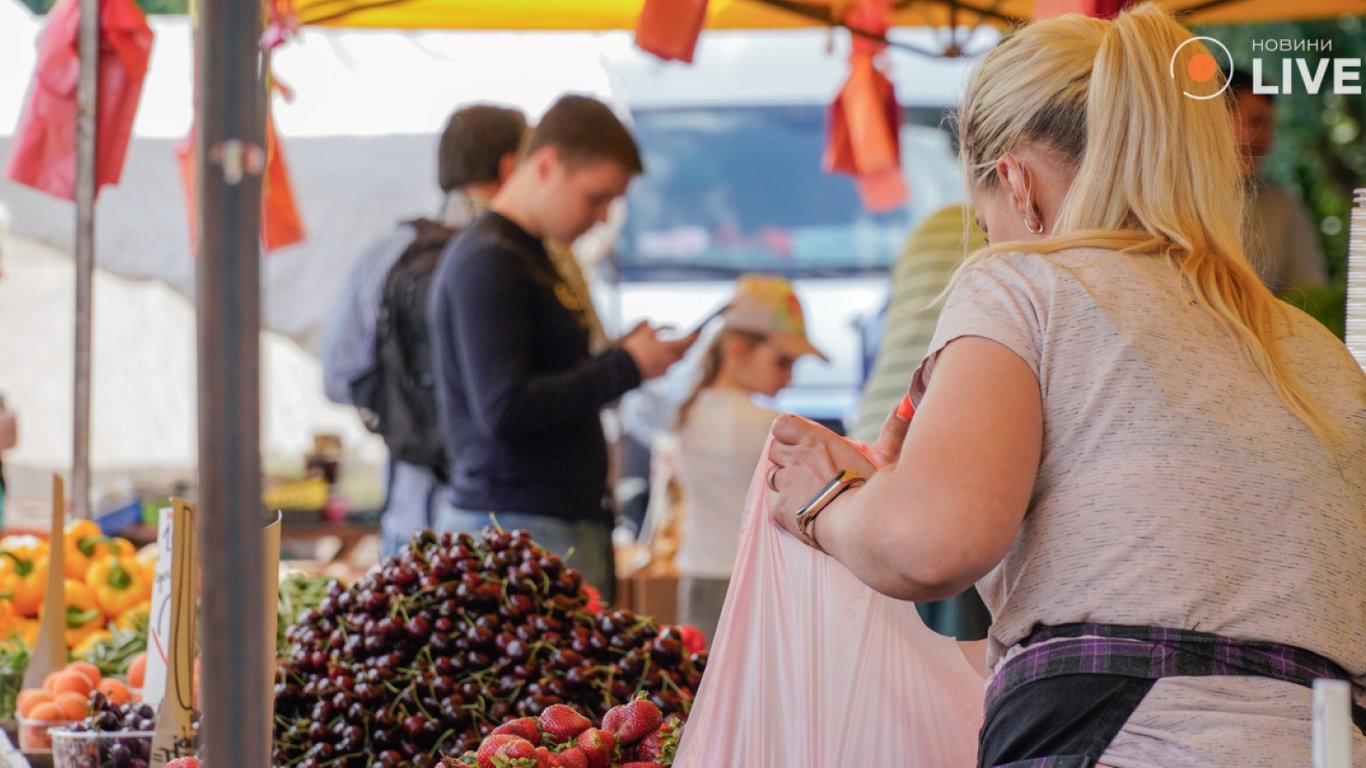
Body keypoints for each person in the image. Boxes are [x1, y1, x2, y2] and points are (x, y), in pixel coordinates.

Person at [764, 6, 1366, 767]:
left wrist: (828, 504)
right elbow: (1166, 618)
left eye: (986, 225)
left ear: (1015, 184)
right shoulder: (1314, 352)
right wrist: (900, 494)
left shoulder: (1026, 283)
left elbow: (930, 546)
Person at [428, 94, 696, 600]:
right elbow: (505, 407)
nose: (601, 217)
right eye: (595, 197)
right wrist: (625, 367)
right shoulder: (489, 261)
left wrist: (619, 358)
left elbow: (542, 377)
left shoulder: (529, 254)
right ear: (546, 165)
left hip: (547, 524)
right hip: (516, 531)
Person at [321, 104, 531, 558]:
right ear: (510, 165)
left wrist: (408, 407)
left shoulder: (389, 253)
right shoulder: (526, 257)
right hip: (509, 518)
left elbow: (338, 377)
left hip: (412, 512)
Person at [848, 203, 992, 641]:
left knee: (889, 644)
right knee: (947, 643)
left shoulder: (931, 226)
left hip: (873, 435)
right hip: (937, 444)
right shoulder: (1015, 226)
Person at [667, 274, 824, 641]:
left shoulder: (686, 414)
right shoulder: (770, 427)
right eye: (783, 361)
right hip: (756, 582)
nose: (790, 376)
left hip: (698, 577)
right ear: (738, 350)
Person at [1227, 68, 1328, 293]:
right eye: (1255, 122)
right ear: (1209, 121)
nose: (1267, 139)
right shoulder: (1159, 198)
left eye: (1270, 127)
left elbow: (1311, 299)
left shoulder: (1281, 207)